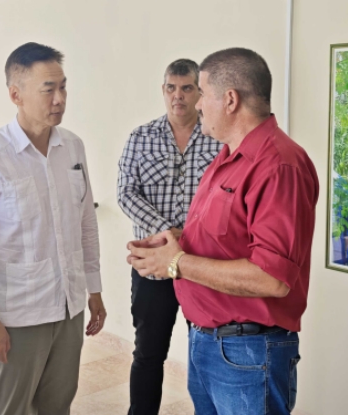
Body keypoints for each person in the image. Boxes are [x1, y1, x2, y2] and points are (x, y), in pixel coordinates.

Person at [126, 48, 319, 415]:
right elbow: (224, 237)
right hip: (211, 346)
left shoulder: (279, 166)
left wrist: (176, 263)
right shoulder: (229, 156)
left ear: (230, 100)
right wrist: (173, 243)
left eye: (202, 93)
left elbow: (272, 278)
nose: (197, 104)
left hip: (247, 353)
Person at [0, 42, 106, 415]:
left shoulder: (73, 147)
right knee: (11, 409)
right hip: (18, 315)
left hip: (69, 307)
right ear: (16, 95)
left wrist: (94, 289)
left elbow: (86, 222)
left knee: (57, 406)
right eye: (48, 89)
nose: (60, 99)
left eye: (63, 87)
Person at [117, 58, 221, 415]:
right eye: (171, 88)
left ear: (199, 93)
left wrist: (187, 235)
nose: (178, 96)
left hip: (201, 265)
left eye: (187, 88)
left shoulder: (217, 140)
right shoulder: (140, 137)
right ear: (163, 90)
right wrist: (167, 231)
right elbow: (126, 193)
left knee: (205, 352)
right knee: (148, 354)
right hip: (152, 267)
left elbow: (226, 198)